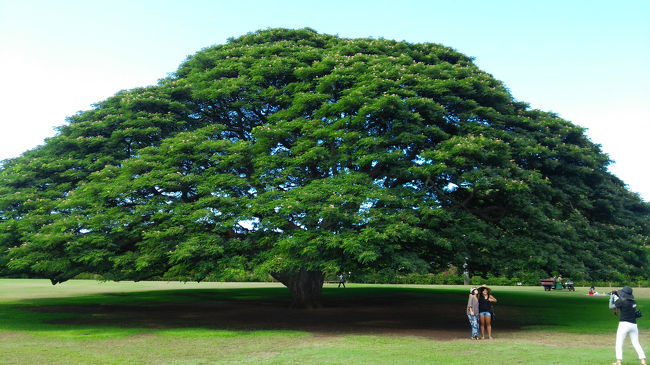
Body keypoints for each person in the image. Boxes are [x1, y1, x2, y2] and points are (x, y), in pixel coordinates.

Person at [609, 286, 646, 365]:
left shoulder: (622, 302)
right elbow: (624, 299)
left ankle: (618, 362)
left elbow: (611, 306)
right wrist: (617, 295)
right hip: (633, 325)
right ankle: (643, 361)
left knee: (619, 343)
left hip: (624, 324)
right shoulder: (634, 302)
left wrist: (611, 298)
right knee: (636, 343)